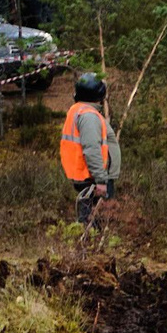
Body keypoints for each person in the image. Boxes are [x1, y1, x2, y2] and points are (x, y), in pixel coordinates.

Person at [59, 70, 119, 226]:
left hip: (86, 175)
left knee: (90, 217)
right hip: (92, 178)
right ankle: (88, 240)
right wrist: (101, 180)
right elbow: (92, 150)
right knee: (94, 220)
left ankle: (87, 238)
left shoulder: (80, 110)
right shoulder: (89, 116)